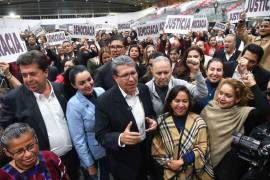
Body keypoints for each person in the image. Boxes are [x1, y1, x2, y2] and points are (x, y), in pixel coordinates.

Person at [0, 50, 80, 179]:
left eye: (32, 74)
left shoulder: (61, 89)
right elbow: (7, 136)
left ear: (46, 72)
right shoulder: (12, 99)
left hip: (72, 158)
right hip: (41, 166)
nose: (28, 79)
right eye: (24, 75)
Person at [95, 55, 157, 180]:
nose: (131, 79)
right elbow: (101, 135)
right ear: (115, 78)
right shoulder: (104, 101)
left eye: (133, 73)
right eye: (125, 75)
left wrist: (153, 121)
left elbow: (151, 114)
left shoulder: (143, 89)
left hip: (146, 156)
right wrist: (120, 138)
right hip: (124, 164)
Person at [200, 77, 270, 180]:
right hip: (200, 158)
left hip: (222, 168)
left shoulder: (241, 112)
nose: (222, 98)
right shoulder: (210, 107)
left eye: (228, 96)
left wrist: (253, 85)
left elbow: (263, 109)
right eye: (221, 93)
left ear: (237, 99)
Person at [151, 85, 214, 180]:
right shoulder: (161, 121)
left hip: (192, 173)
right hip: (168, 172)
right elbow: (157, 150)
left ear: (189, 103)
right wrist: (170, 164)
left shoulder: (198, 121)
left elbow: (202, 146)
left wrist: (182, 161)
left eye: (185, 101)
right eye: (177, 101)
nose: (181, 105)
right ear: (170, 103)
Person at [66, 65, 109, 180]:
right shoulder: (73, 105)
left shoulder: (101, 91)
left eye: (89, 79)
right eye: (82, 83)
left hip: (111, 146)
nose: (88, 84)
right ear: (74, 85)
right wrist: (89, 164)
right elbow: (78, 139)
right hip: (96, 155)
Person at [0, 123, 69, 179]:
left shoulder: (49, 157)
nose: (28, 154)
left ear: (36, 139)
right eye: (19, 151)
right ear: (7, 152)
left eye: (31, 146)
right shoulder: (4, 175)